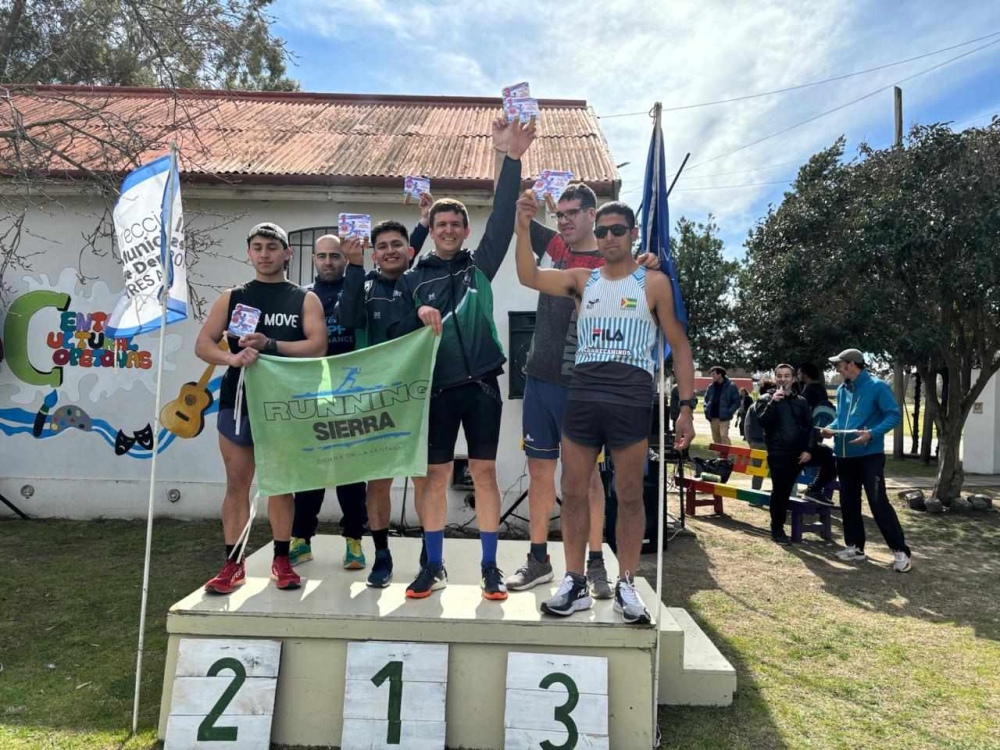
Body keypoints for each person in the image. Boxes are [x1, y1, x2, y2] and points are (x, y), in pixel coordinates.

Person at [514, 197, 696, 624]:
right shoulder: (582, 279)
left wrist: (686, 407)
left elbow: (680, 346)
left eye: (618, 230)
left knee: (629, 495)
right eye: (603, 231)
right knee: (573, 492)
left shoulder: (653, 283)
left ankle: (627, 582)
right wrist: (523, 229)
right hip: (583, 395)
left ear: (633, 234)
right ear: (595, 235)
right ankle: (574, 580)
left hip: (630, 398)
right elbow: (528, 276)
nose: (609, 237)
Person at [388, 116, 536, 601]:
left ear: (464, 229)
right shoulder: (411, 277)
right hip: (433, 390)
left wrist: (510, 157)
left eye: (455, 224)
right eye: (440, 224)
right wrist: (419, 308)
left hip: (480, 387)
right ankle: (434, 565)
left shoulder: (481, 265)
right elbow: (398, 329)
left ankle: (490, 568)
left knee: (485, 472)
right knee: (434, 476)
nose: (448, 230)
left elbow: (500, 218)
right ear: (429, 230)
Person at [504, 182, 660, 599]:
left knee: (589, 480)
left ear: (595, 215)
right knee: (539, 472)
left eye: (574, 213)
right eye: (561, 214)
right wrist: (510, 156)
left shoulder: (617, 263)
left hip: (584, 386)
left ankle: (595, 566)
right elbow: (515, 213)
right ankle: (539, 559)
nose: (565, 220)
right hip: (539, 377)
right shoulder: (556, 244)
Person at [195, 222, 327, 594]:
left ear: (288, 253)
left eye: (272, 246)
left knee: (281, 484)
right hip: (238, 401)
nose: (265, 253)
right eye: (258, 246)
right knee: (238, 483)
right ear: (249, 253)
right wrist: (230, 358)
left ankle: (282, 560)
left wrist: (270, 344)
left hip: (285, 404)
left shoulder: (304, 298)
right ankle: (233, 564)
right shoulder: (233, 296)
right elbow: (203, 344)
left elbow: (318, 346)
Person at [337, 219, 424, 587]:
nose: (390, 250)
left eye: (397, 244)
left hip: (421, 395)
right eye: (383, 245)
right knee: (378, 483)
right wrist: (354, 266)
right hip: (375, 398)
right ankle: (382, 556)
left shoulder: (424, 282)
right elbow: (345, 318)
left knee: (425, 478)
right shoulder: (364, 283)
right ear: (375, 253)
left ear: (410, 250)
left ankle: (429, 557)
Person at [287, 234, 370, 571]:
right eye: (321, 256)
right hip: (312, 392)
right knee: (311, 469)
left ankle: (354, 540)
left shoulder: (362, 287)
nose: (328, 262)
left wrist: (422, 226)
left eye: (335, 255)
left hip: (354, 390)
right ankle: (301, 538)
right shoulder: (302, 296)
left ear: (345, 257)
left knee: (351, 469)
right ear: (313, 259)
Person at [821, 348, 912, 572]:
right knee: (849, 502)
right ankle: (855, 547)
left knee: (878, 502)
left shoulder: (877, 386)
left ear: (851, 364)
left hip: (869, 456)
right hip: (844, 456)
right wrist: (830, 429)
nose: (837, 368)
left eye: (839, 364)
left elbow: (894, 414)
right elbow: (841, 421)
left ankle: (901, 552)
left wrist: (871, 434)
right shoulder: (842, 390)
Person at [752, 364, 838, 544]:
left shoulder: (801, 401)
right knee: (781, 493)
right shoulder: (765, 399)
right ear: (775, 378)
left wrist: (808, 449)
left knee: (829, 456)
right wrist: (773, 402)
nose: (783, 379)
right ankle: (777, 529)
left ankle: (814, 489)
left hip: (801, 452)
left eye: (787, 376)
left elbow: (809, 428)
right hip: (780, 455)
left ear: (793, 378)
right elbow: (762, 423)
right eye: (780, 376)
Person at [744, 378, 772, 490]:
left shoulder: (754, 406)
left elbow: (747, 425)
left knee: (757, 471)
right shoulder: (776, 405)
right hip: (772, 443)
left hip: (756, 442)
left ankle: (754, 493)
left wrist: (750, 441)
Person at [703, 366, 740, 445]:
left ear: (720, 374)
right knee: (716, 438)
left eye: (714, 374)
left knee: (723, 436)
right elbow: (706, 399)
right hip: (713, 416)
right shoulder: (711, 386)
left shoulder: (731, 386)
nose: (712, 376)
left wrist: (729, 412)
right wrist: (706, 409)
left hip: (724, 417)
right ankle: (719, 456)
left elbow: (737, 401)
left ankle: (728, 456)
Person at [797, 362, 836, 428]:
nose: (798, 376)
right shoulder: (820, 388)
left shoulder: (810, 390)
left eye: (799, 374)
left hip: (810, 426)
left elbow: (806, 409)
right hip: (820, 424)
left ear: (805, 374)